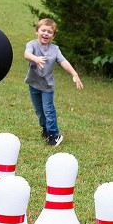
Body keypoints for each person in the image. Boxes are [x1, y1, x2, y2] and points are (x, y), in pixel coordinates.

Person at [24, 18, 83, 146]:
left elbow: (63, 62)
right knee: (39, 111)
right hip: (33, 84)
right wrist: (36, 59)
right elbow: (26, 54)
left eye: (49, 32)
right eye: (43, 30)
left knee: (48, 110)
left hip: (47, 87)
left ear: (53, 35)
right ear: (37, 31)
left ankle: (54, 134)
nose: (45, 34)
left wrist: (74, 73)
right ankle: (45, 130)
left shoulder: (55, 50)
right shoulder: (32, 45)